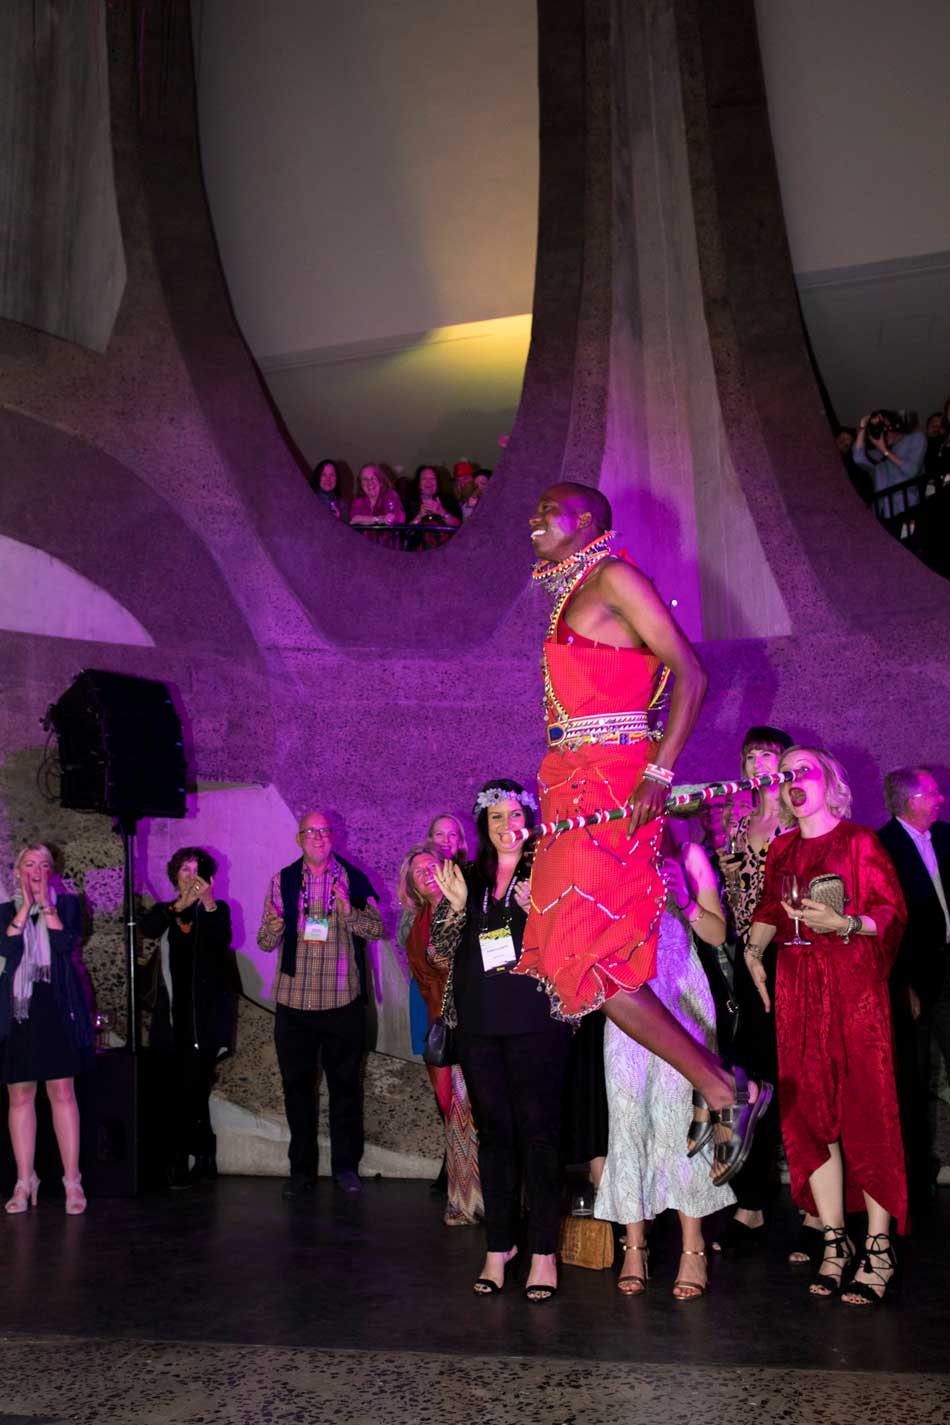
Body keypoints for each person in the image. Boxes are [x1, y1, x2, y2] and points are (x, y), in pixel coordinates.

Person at [516, 482, 772, 1186]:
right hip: (572, 781)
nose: (534, 517)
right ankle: (722, 1084)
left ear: (590, 521)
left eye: (550, 508)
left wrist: (660, 770)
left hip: (616, 780)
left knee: (594, 962)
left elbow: (690, 671)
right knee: (574, 964)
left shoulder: (615, 576)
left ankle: (726, 1089)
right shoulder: (571, 596)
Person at [746, 747, 908, 1306]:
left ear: (830, 783)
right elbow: (771, 908)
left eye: (803, 772)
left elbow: (891, 913)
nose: (792, 782)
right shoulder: (784, 848)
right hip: (797, 992)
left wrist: (846, 922)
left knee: (868, 1111)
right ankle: (835, 1242)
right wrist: (754, 948)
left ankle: (879, 1246)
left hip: (854, 993)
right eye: (784, 776)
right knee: (811, 1114)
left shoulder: (860, 841)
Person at [430, 780, 572, 1301]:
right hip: (479, 1023)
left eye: (515, 815)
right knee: (494, 1134)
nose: (506, 826)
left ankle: (542, 1252)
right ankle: (499, 1245)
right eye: (495, 819)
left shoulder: (552, 873)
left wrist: (541, 909)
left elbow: (572, 946)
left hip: (538, 1020)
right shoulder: (466, 876)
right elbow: (440, 951)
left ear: (530, 821)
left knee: (539, 1135)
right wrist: (460, 907)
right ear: (484, 828)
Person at [595, 821, 735, 1300]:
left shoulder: (689, 853)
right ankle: (634, 1245)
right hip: (627, 997)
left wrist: (689, 902)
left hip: (682, 992)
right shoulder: (607, 850)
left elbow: (716, 934)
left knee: (680, 1120)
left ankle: (693, 1247)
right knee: (627, 1115)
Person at [256, 811, 383, 1198]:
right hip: (294, 1003)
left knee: (345, 1089)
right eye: (310, 831)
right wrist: (275, 926)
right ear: (299, 839)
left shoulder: (353, 879)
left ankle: (346, 1168)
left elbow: (377, 928)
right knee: (297, 1089)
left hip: (342, 1001)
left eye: (324, 831)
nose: (317, 837)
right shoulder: (283, 881)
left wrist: (349, 912)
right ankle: (301, 1172)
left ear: (333, 837)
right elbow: (264, 941)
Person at [715, 726, 797, 1253]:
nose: (759, 764)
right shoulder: (733, 819)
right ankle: (750, 1203)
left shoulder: (800, 818)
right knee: (751, 1080)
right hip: (747, 959)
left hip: (795, 954)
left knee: (801, 1076)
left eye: (768, 755)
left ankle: (817, 1209)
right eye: (751, 756)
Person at [0, 845, 94, 1214]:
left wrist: (44, 904)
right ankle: (25, 1180)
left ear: (52, 871)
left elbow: (65, 943)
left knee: (62, 1092)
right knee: (20, 1096)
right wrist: (26, 905)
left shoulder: (67, 904)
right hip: (18, 1012)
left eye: (43, 865)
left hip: (57, 1008)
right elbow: (7, 946)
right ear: (18, 870)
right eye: (29, 864)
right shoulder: (7, 910)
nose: (36, 870)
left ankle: (72, 1181)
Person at [140, 846, 238, 1188]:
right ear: (175, 875)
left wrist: (207, 902)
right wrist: (177, 907)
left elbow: (222, 939)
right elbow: (147, 930)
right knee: (170, 1090)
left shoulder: (216, 910)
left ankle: (203, 1156)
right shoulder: (165, 912)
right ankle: (177, 1157)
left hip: (202, 1022)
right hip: (169, 1020)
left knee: (195, 1090)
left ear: (207, 878)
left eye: (197, 870)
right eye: (185, 869)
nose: (190, 876)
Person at [397, 846, 481, 1226]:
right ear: (411, 886)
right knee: (454, 1113)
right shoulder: (418, 924)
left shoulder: (469, 902)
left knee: (481, 1113)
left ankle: (490, 1199)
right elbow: (425, 979)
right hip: (444, 1026)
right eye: (417, 871)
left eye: (431, 865)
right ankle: (465, 1198)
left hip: (476, 1020)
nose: (426, 873)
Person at [878, 767, 950, 1200]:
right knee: (915, 1077)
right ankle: (917, 1180)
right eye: (934, 792)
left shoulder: (945, 837)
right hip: (915, 979)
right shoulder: (883, 846)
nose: (940, 798)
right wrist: (901, 984)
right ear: (911, 799)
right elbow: (888, 925)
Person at [852, 409, 926, 494]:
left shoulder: (915, 438)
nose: (883, 432)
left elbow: (912, 471)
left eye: (884, 426)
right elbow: (858, 458)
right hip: (882, 505)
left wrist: (885, 451)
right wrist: (863, 426)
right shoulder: (878, 453)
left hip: (907, 503)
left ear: (894, 425)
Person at [348, 463, 405, 544]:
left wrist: (366, 520)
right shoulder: (358, 501)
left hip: (388, 550)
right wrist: (379, 519)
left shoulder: (390, 495)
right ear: (361, 484)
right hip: (365, 550)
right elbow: (354, 520)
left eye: (373, 478)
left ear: (380, 481)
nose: (369, 482)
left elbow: (397, 518)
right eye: (365, 479)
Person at [406, 466, 461, 549]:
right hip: (418, 555)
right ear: (418, 483)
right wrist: (419, 516)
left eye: (432, 478)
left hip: (445, 552)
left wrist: (442, 512)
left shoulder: (448, 499)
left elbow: (458, 525)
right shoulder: (409, 503)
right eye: (424, 479)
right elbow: (405, 533)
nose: (429, 482)